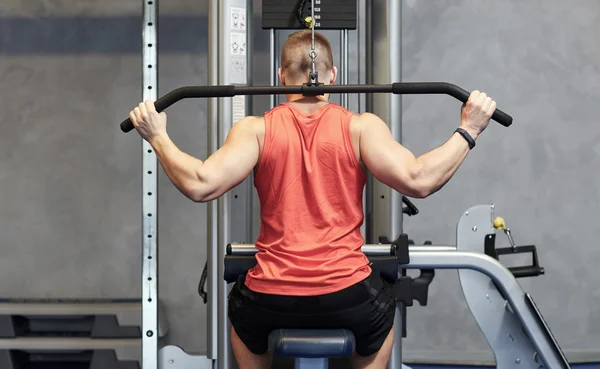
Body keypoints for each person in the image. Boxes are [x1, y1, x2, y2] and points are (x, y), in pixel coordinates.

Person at [129, 30, 497, 369]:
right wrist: (470, 128)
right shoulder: (360, 126)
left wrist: (157, 135)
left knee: (242, 317)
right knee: (385, 313)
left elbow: (200, 184)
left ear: (280, 76)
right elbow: (420, 179)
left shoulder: (255, 130)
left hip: (270, 297)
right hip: (346, 295)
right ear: (333, 76)